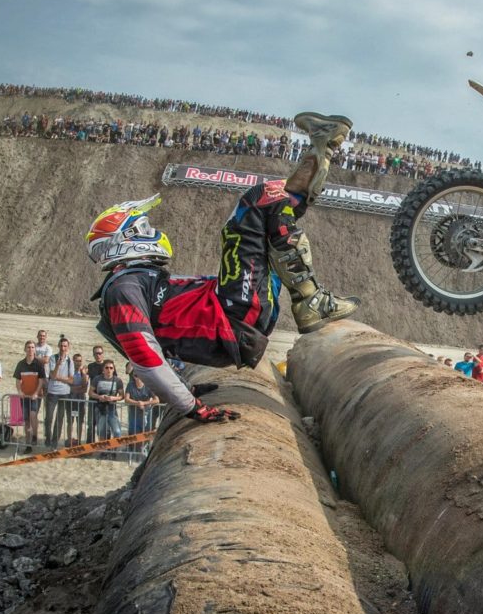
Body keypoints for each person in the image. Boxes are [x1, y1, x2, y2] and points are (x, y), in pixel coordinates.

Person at [87, 112, 359, 421]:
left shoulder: (135, 280)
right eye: (145, 228)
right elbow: (144, 356)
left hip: (233, 310)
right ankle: (311, 300)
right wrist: (192, 407)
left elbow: (154, 352)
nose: (153, 233)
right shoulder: (123, 288)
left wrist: (186, 389)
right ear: (126, 238)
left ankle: (322, 148)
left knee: (272, 208)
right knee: (253, 205)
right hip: (232, 316)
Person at [14, 340, 47, 454]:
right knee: (26, 421)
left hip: (34, 396)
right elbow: (18, 380)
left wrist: (36, 393)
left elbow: (41, 381)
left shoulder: (38, 364)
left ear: (35, 349)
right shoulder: (20, 364)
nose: (31, 349)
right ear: (25, 349)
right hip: (24, 396)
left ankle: (35, 435)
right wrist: (19, 391)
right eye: (28, 347)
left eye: (33, 347)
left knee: (33, 415)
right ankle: (28, 444)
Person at [45, 337, 74, 446]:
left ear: (68, 347)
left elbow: (71, 380)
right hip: (52, 392)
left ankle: (54, 441)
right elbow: (52, 375)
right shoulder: (53, 358)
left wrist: (59, 378)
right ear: (58, 346)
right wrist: (57, 365)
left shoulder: (70, 361)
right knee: (48, 417)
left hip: (64, 393)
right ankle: (48, 437)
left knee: (60, 418)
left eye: (65, 346)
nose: (63, 348)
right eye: (61, 346)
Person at [90, 360, 125, 440]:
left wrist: (113, 398)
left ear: (113, 369)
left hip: (112, 409)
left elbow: (122, 396)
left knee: (117, 431)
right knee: (101, 431)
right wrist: (99, 397)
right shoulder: (97, 379)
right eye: (107, 368)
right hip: (100, 409)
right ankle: (103, 451)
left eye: (111, 368)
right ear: (103, 369)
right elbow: (90, 393)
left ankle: (114, 451)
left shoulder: (118, 381)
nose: (109, 370)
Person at [67, 353, 88, 445]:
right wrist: (77, 387)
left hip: (80, 400)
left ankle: (79, 440)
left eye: (80, 361)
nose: (78, 363)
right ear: (73, 361)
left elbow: (85, 387)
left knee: (80, 421)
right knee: (70, 421)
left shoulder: (84, 372)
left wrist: (83, 374)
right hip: (71, 399)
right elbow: (67, 387)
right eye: (76, 361)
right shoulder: (69, 371)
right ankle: (69, 440)